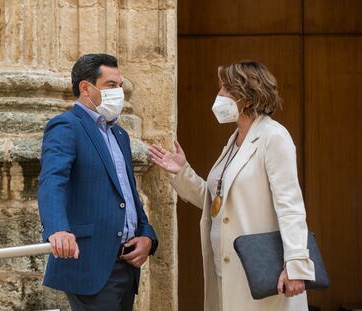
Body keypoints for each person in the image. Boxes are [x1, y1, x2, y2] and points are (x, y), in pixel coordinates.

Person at [148, 60, 315, 311]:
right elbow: (216, 201)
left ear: (246, 97)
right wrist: (182, 172)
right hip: (226, 268)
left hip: (261, 272)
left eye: (225, 89)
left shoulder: (274, 137)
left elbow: (290, 205)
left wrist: (296, 265)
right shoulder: (234, 140)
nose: (218, 95)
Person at [38, 53, 158, 311]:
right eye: (111, 85)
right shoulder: (66, 126)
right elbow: (52, 179)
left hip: (126, 265)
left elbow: (127, 193)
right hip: (89, 262)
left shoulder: (119, 134)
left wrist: (147, 235)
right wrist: (57, 228)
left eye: (120, 85)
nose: (118, 92)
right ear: (86, 88)